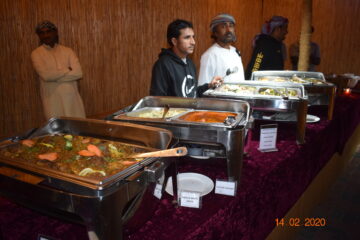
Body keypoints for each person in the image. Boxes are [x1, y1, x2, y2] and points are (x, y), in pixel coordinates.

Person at [150, 19, 222, 97]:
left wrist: (209, 86)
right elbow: (157, 100)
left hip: (192, 109)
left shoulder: (190, 63)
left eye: (193, 37)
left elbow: (192, 95)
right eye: (187, 37)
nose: (193, 42)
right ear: (174, 41)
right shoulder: (163, 65)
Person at [31, 20, 86, 119]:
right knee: (57, 130)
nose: (46, 35)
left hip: (71, 99)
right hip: (52, 100)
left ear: (55, 32)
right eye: (42, 33)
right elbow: (46, 76)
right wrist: (67, 70)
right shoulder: (36, 54)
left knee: (77, 127)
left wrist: (54, 77)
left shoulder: (68, 51)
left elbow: (78, 73)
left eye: (48, 31)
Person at [198, 13, 245, 86]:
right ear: (215, 33)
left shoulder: (235, 51)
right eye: (223, 27)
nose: (228, 30)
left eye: (231, 26)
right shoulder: (209, 55)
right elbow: (203, 87)